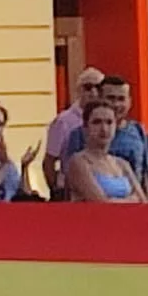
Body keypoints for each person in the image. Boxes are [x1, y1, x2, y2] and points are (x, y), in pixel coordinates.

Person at [64, 75, 148, 194]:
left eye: (121, 99)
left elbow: (145, 175)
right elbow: (69, 180)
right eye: (111, 98)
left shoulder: (138, 130)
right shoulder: (78, 135)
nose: (116, 104)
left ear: (129, 101)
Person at [44, 66, 103, 199]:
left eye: (98, 87)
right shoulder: (63, 121)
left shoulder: (107, 119)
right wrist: (55, 191)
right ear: (79, 90)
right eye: (88, 87)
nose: (93, 92)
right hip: (70, 191)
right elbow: (49, 160)